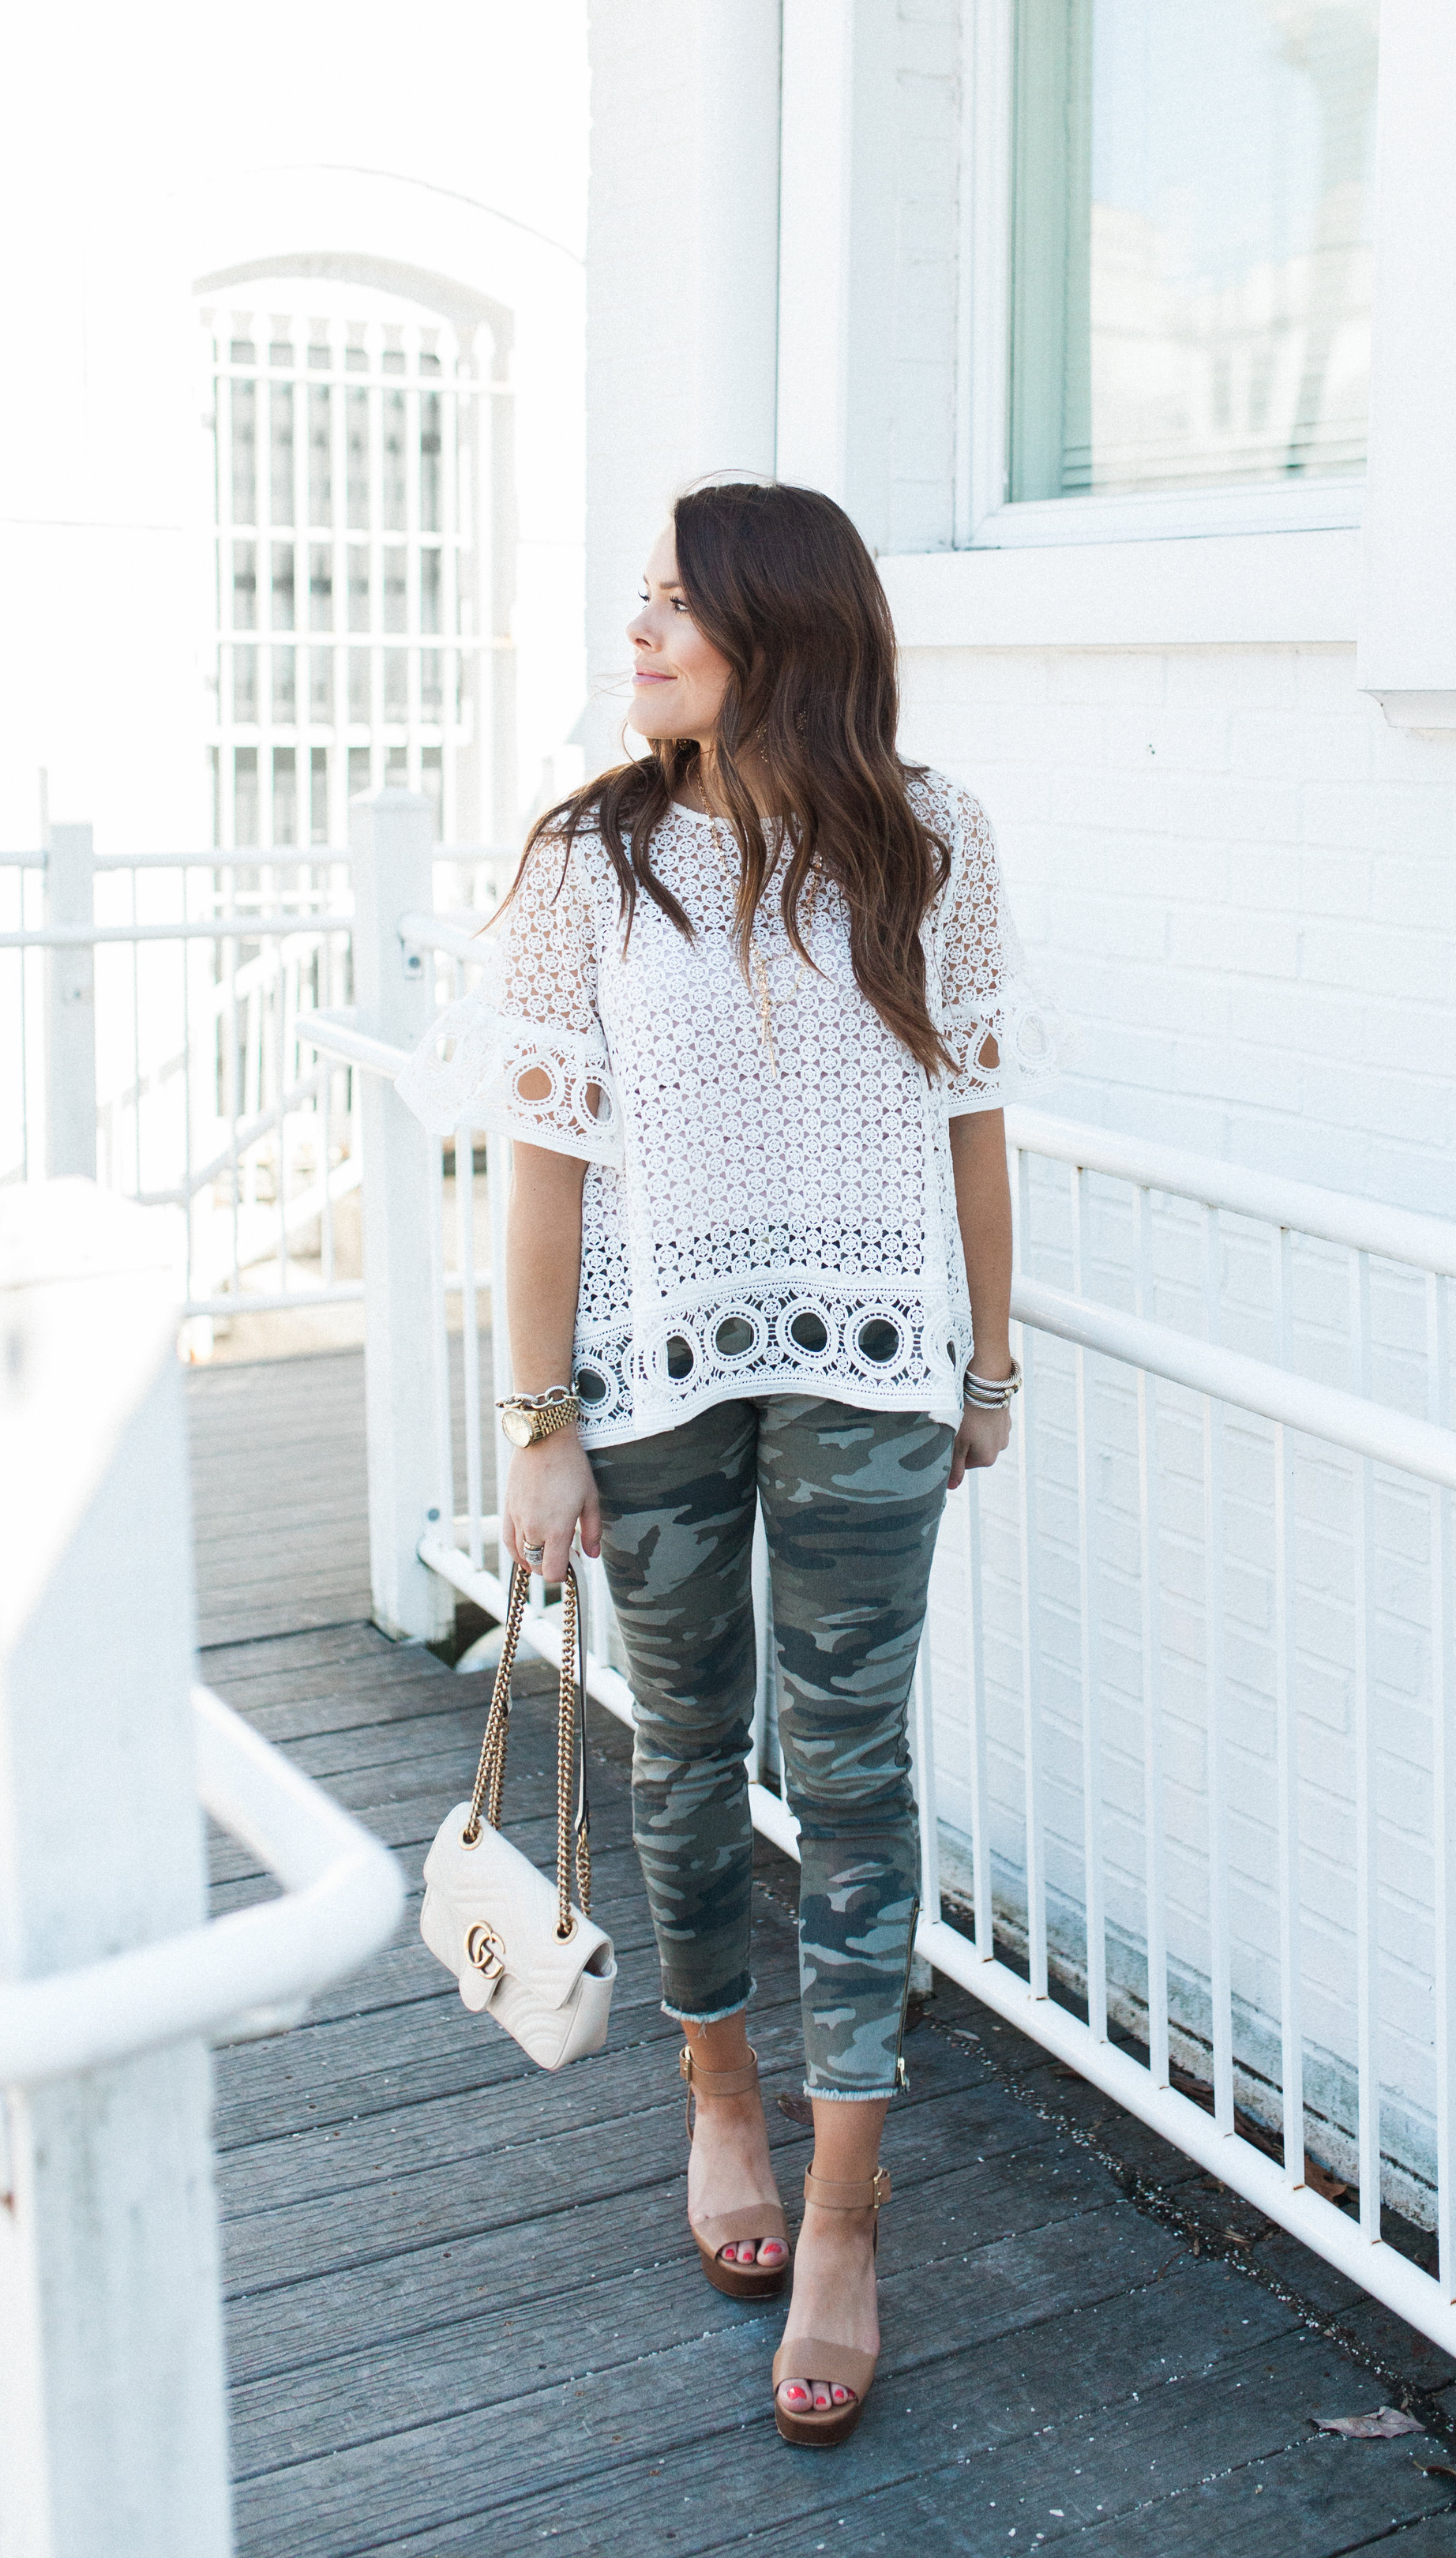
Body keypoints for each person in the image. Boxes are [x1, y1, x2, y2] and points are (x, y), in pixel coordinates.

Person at [398, 477, 1038, 2448]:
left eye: (679, 603)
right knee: (683, 1751)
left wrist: (985, 1363)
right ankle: (720, 2098)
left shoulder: (932, 840)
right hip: (649, 1374)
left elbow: (971, 1119)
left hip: (867, 1369)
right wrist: (533, 1423)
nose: (640, 632)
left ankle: (843, 2216)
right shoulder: (596, 857)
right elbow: (545, 1170)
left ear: (783, 623)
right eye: (641, 602)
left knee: (850, 1775)